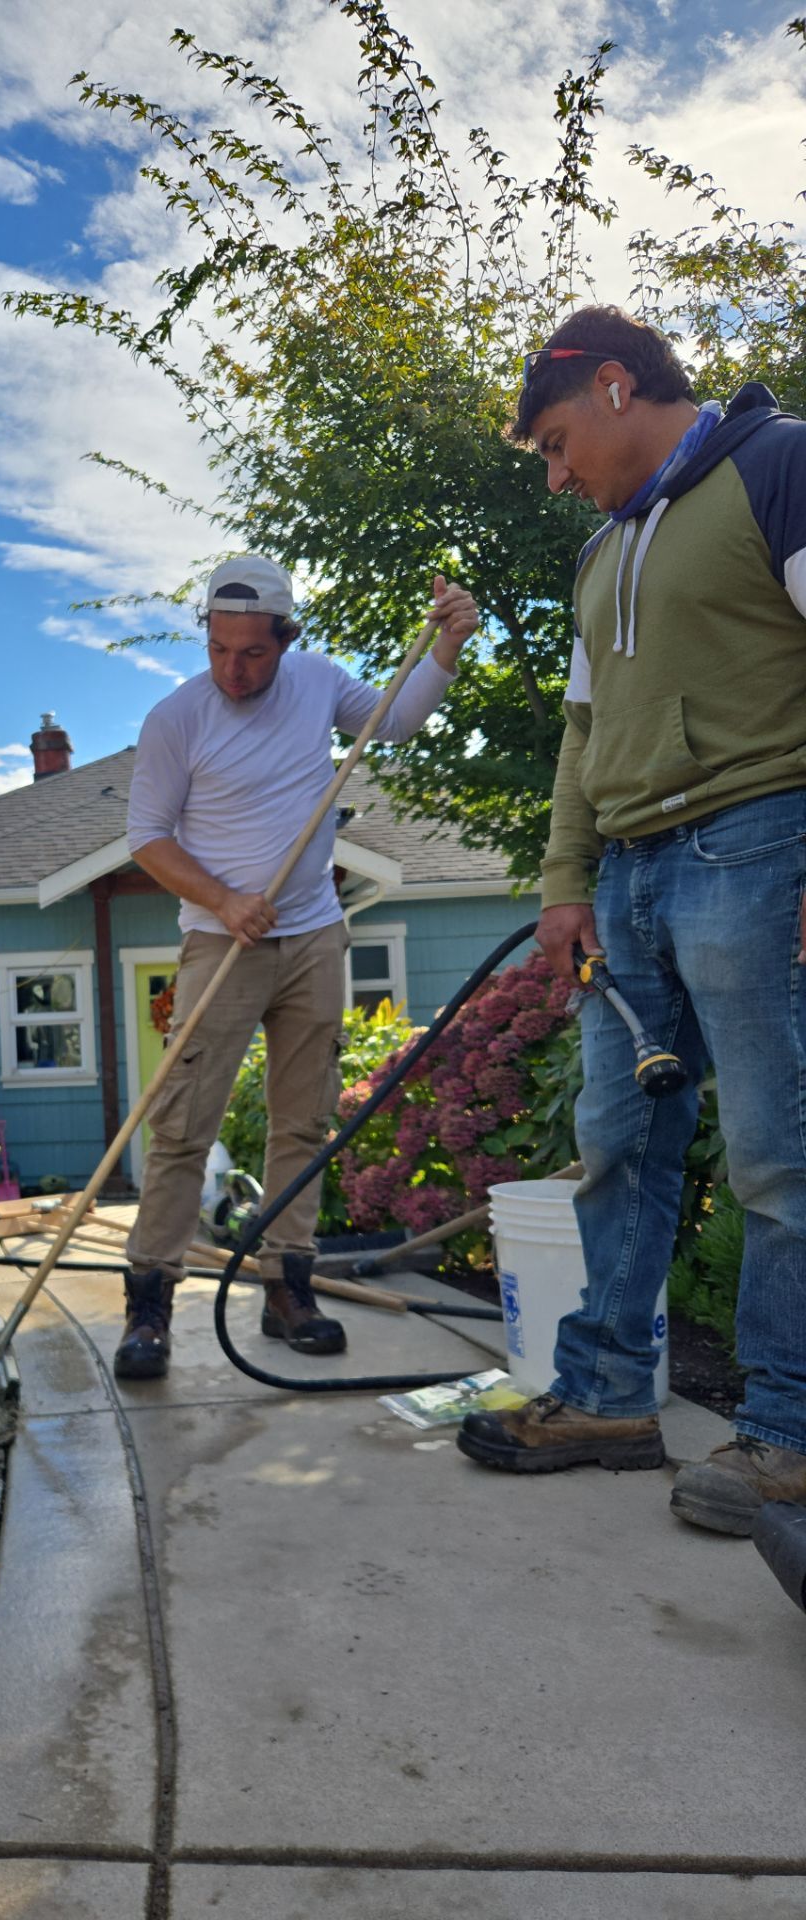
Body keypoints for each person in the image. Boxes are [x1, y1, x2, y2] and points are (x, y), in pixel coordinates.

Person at [456, 306, 806, 1537]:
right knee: (617, 1145)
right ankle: (605, 1396)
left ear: (614, 386)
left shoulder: (780, 467)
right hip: (630, 881)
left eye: (556, 445)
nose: (555, 478)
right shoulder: (602, 556)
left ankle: (789, 1438)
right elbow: (582, 735)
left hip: (760, 846)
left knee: (779, 1156)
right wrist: (567, 882)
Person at [115, 554, 480, 1379]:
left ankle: (288, 1288)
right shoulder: (176, 719)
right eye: (218, 650)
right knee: (183, 1125)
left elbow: (395, 722)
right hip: (223, 942)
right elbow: (147, 838)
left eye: (252, 652)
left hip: (314, 932)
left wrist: (447, 646)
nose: (233, 670)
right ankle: (149, 1305)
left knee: (303, 1123)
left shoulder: (317, 682)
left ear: (285, 638)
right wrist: (223, 900)